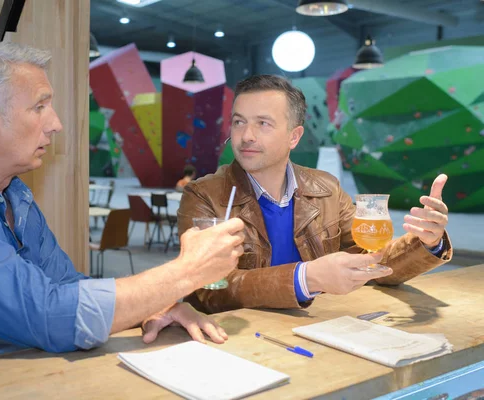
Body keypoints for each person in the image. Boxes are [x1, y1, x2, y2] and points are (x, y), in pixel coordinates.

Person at [0, 41, 246, 373]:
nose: (55, 124)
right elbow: (48, 314)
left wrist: (158, 304)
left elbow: (68, 286)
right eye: (39, 107)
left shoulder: (15, 194)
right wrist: (185, 273)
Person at [178, 74, 452, 314]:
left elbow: (372, 260)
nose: (246, 135)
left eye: (263, 123)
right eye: (239, 122)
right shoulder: (204, 195)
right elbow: (208, 290)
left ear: (294, 137)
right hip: (237, 341)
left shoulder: (326, 188)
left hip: (317, 332)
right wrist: (306, 279)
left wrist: (427, 242)